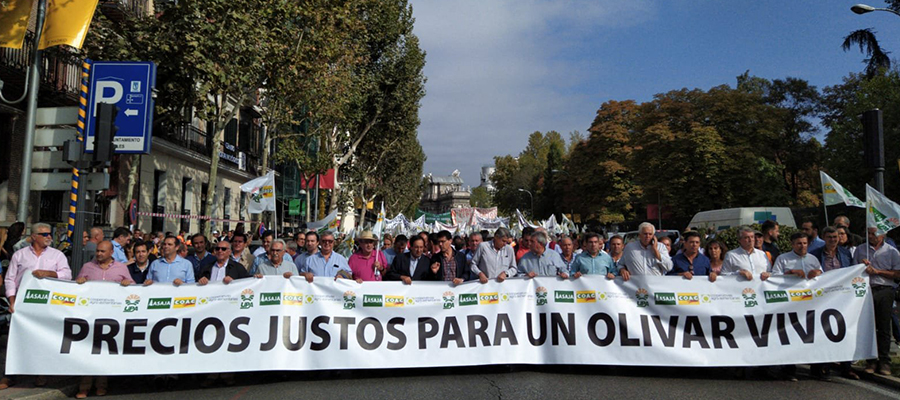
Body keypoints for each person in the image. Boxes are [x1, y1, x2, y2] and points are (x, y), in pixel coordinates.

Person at [1, 223, 71, 390]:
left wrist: (49, 273)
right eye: (44, 234)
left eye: (50, 234)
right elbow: (10, 279)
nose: (49, 237)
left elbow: (67, 275)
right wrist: (11, 301)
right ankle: (10, 374)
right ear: (34, 237)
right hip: (23, 305)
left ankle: (41, 371)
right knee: (16, 339)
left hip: (48, 305)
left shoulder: (57, 255)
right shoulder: (19, 255)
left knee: (44, 338)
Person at [74, 240, 132, 398]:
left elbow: (133, 289)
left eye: (102, 251)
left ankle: (101, 385)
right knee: (87, 351)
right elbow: (76, 289)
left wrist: (128, 283)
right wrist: (80, 282)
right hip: (90, 317)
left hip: (111, 317)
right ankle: (84, 387)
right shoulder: (87, 267)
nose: (98, 254)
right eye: (98, 251)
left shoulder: (121, 268)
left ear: (111, 253)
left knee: (104, 352)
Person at [807, 226, 860, 380]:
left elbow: (851, 271)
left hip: (842, 298)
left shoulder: (845, 253)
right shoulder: (815, 254)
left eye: (835, 237)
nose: (833, 240)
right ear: (823, 238)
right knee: (821, 331)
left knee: (844, 330)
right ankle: (819, 367)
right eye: (829, 237)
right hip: (822, 298)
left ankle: (846, 367)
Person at [853, 227, 900, 375]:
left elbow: (897, 274)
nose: (870, 236)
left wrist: (878, 272)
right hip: (866, 290)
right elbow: (853, 271)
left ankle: (884, 361)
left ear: (883, 235)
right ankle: (871, 360)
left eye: (873, 233)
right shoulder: (860, 249)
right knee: (869, 326)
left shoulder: (892, 252)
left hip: (885, 290)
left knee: (884, 326)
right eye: (868, 233)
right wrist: (861, 266)